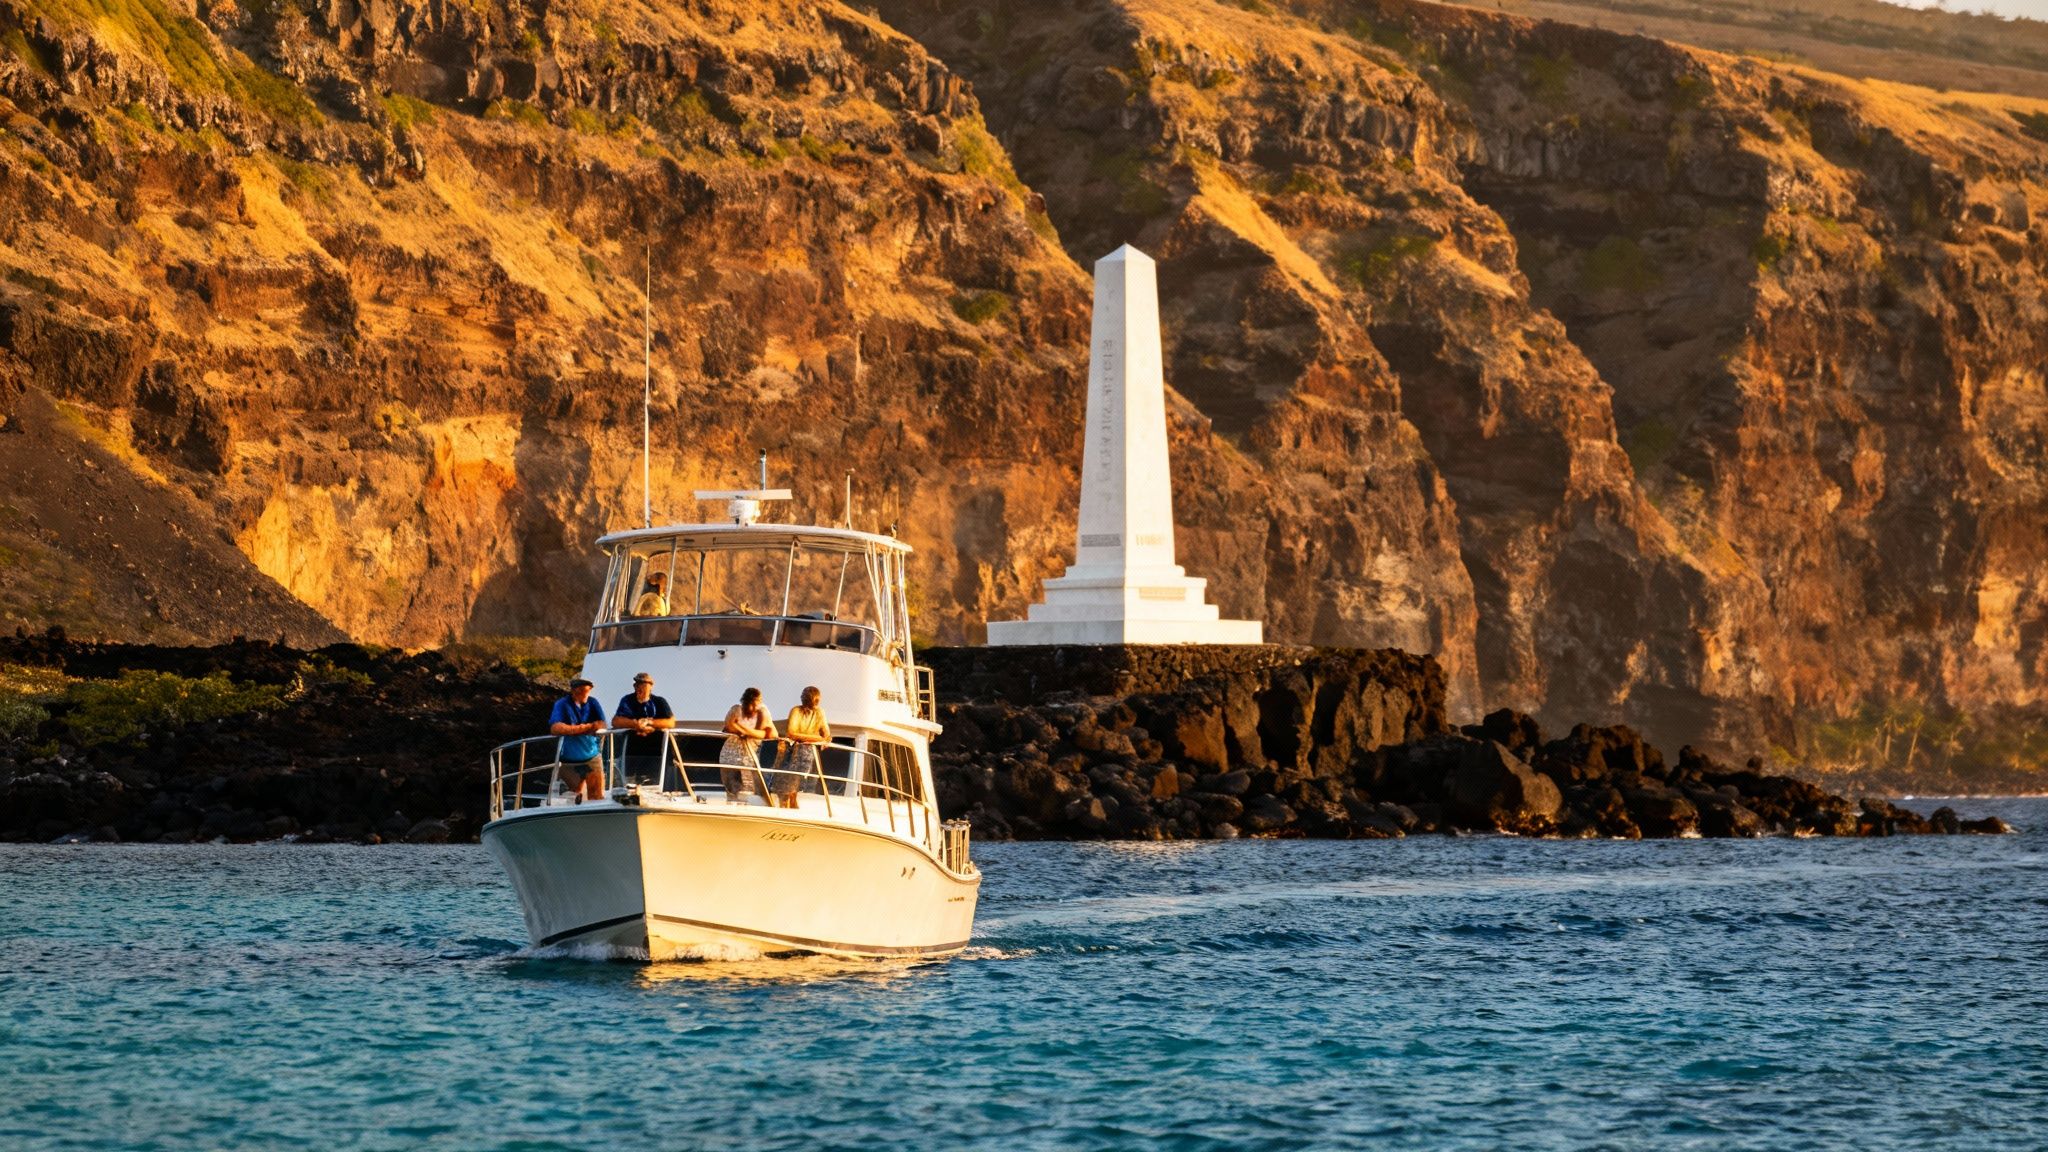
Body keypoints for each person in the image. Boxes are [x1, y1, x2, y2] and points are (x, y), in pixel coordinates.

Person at [548, 678, 607, 802]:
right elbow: (555, 728)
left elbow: (602, 724)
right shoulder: (562, 704)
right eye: (582, 690)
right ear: (574, 691)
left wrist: (592, 727)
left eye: (588, 690)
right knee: (573, 797)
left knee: (597, 797)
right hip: (568, 760)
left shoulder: (593, 703)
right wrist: (583, 728)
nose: (585, 694)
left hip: (592, 756)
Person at [612, 672, 675, 787]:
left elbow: (670, 722)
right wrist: (636, 724)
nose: (638, 687)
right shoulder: (627, 700)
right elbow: (616, 721)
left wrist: (650, 723)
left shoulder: (659, 702)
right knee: (629, 787)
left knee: (653, 785)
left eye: (643, 684)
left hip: (655, 754)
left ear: (650, 686)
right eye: (636, 684)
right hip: (631, 754)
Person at [774, 686, 831, 808]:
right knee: (787, 783)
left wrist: (821, 739)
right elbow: (791, 733)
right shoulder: (796, 711)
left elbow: (827, 735)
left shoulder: (820, 712)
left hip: (808, 755)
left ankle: (793, 802)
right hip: (791, 752)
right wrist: (817, 738)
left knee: (799, 782)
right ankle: (786, 803)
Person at [719, 687, 776, 803]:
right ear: (745, 701)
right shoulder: (736, 709)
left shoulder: (763, 712)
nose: (755, 707)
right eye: (752, 704)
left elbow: (770, 734)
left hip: (749, 757)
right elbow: (728, 727)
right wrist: (751, 732)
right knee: (733, 792)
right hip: (730, 755)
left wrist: (743, 730)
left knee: (750, 794)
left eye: (758, 703)